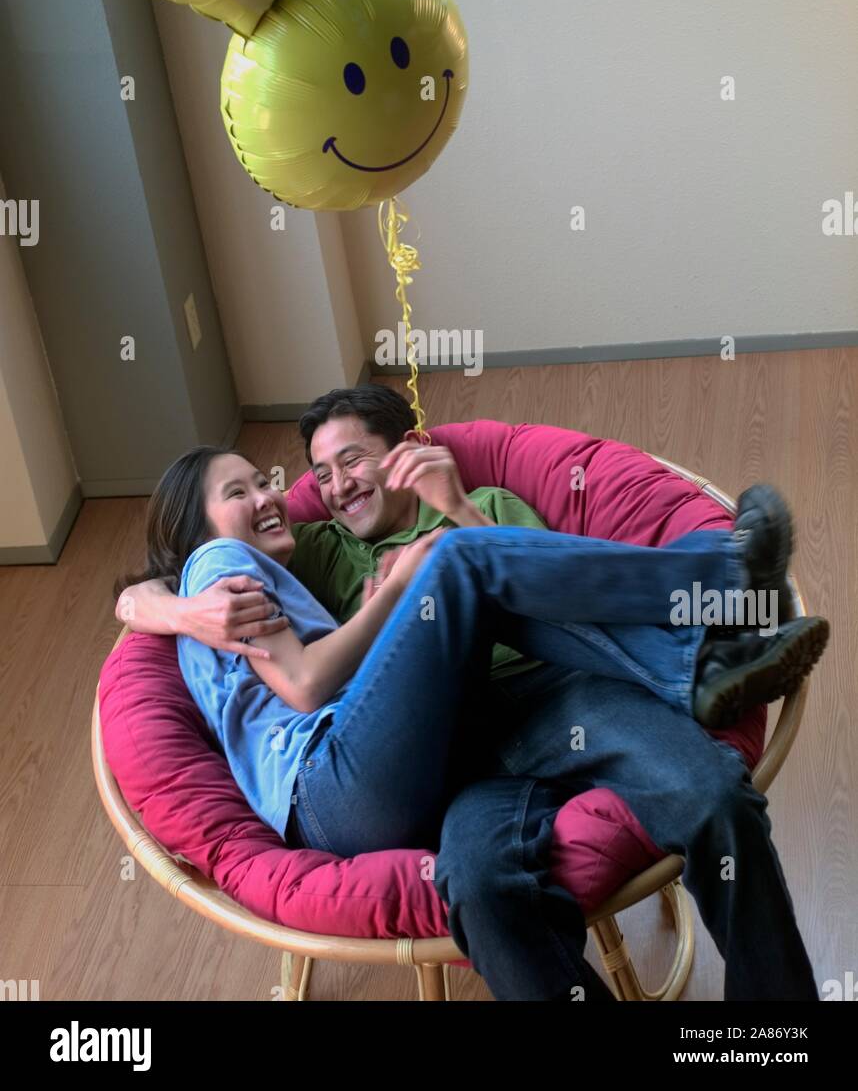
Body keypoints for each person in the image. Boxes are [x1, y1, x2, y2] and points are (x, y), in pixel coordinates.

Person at [115, 389, 828, 1000]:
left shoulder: (482, 503)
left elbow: (561, 596)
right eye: (320, 474)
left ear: (406, 452)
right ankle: (710, 619)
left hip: (553, 697)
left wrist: (455, 509)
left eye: (354, 459)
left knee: (712, 792)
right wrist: (173, 607)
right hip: (457, 761)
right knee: (482, 889)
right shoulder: (314, 552)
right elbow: (164, 576)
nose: (332, 485)